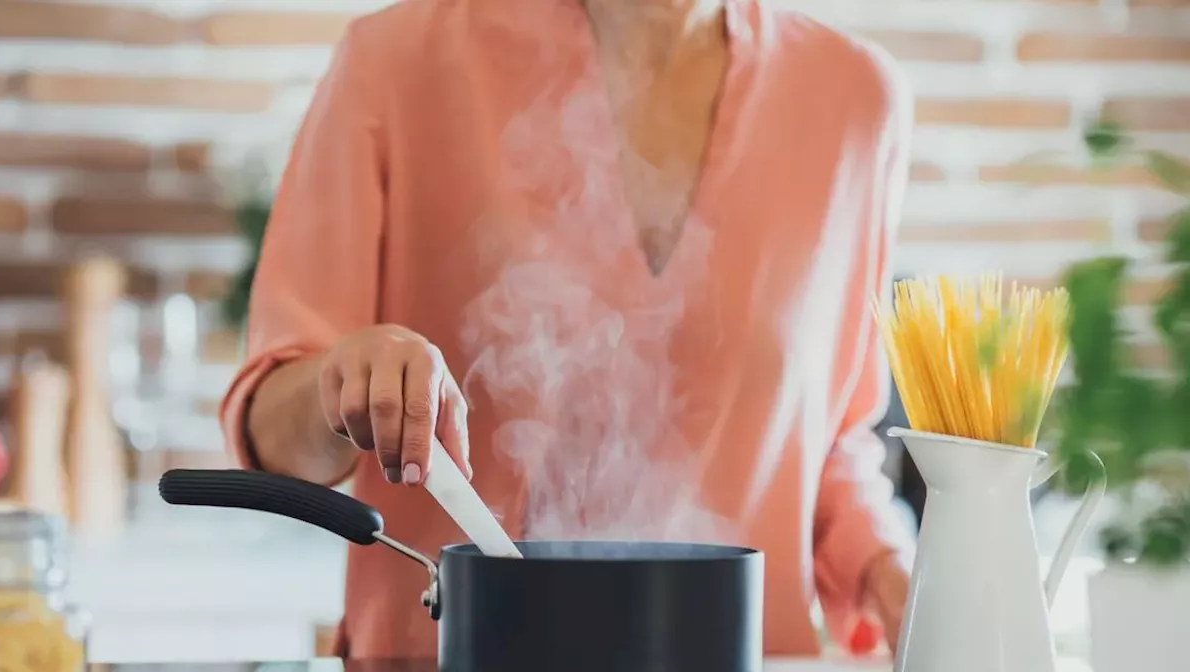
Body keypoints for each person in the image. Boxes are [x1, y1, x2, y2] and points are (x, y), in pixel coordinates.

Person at [223, 0, 916, 661]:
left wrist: (897, 575)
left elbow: (826, 448)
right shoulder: (395, 62)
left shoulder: (852, 98)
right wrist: (342, 382)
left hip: (741, 658)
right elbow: (271, 435)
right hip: (447, 655)